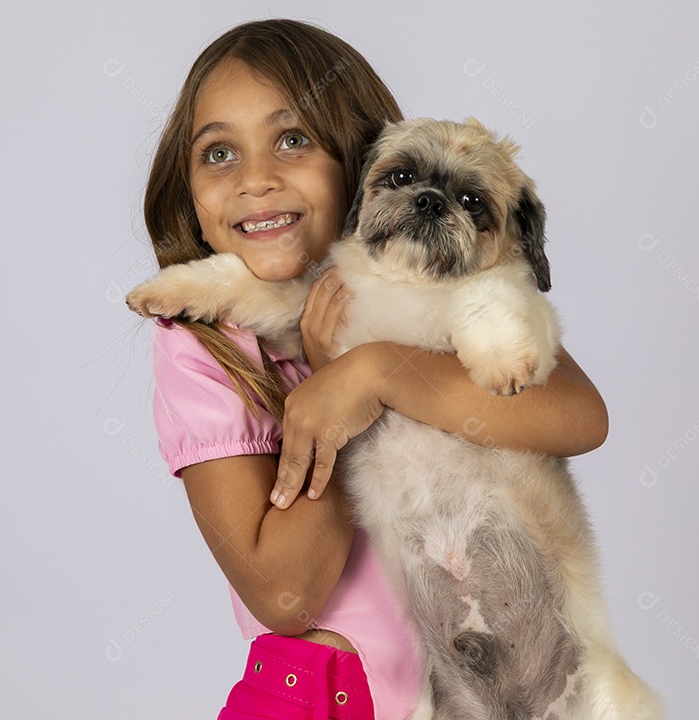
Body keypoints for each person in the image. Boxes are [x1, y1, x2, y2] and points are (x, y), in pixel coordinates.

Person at [142, 18, 609, 720]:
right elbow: (287, 595)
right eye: (217, 153)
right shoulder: (202, 351)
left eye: (292, 138)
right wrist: (337, 390)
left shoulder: (468, 292)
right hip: (321, 702)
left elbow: (580, 418)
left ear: (353, 163)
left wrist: (374, 371)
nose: (257, 179)